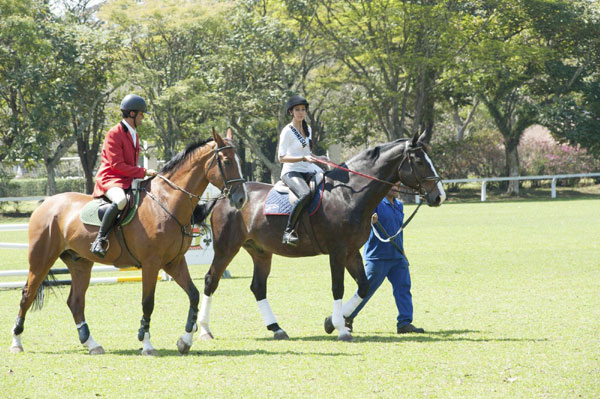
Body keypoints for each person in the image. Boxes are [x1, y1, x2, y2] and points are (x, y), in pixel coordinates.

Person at [345, 184, 425, 334]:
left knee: (403, 289)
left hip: (397, 256)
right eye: (392, 185)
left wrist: (403, 252)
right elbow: (360, 221)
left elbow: (398, 231)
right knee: (365, 291)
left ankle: (404, 323)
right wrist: (370, 221)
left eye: (397, 185)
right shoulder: (374, 203)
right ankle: (347, 317)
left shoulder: (399, 205)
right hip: (377, 257)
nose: (395, 187)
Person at [90, 94, 156, 257]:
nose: (142, 118)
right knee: (120, 201)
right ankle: (100, 239)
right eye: (141, 114)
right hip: (110, 179)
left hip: (127, 179)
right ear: (132, 114)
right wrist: (144, 172)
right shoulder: (114, 133)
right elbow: (117, 165)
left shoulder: (134, 133)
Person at [277, 95, 329, 246]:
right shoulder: (287, 131)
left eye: (303, 110)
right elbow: (281, 158)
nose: (300, 113)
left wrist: (318, 157)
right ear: (291, 112)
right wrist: (302, 159)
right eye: (297, 110)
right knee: (305, 194)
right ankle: (288, 231)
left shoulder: (308, 129)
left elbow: (308, 153)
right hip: (291, 171)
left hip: (308, 168)